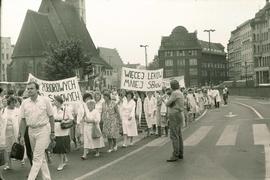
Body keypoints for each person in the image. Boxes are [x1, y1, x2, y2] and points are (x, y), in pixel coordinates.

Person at [18, 82, 55, 180]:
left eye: (32, 88)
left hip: (43, 129)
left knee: (36, 157)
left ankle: (31, 178)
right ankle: (47, 178)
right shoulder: (25, 103)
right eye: (28, 89)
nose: (29, 90)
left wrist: (52, 132)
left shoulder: (45, 100)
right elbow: (22, 120)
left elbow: (51, 116)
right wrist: (21, 135)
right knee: (40, 157)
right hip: (31, 130)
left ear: (37, 89)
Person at [166, 80, 185, 162]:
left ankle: (175, 154)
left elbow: (168, 103)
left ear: (172, 86)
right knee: (179, 134)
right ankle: (180, 153)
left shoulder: (174, 93)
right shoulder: (180, 92)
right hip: (179, 114)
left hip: (174, 114)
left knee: (174, 135)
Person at [52, 96, 73, 171]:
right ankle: (64, 158)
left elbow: (71, 119)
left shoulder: (66, 109)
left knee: (60, 146)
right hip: (55, 128)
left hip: (63, 129)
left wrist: (65, 121)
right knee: (58, 146)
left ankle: (61, 163)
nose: (54, 102)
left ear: (59, 102)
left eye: (55, 101)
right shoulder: (53, 109)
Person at [1, 97, 20, 170]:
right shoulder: (3, 110)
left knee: (16, 147)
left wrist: (20, 133)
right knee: (7, 149)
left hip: (15, 131)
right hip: (5, 132)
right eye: (13, 103)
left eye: (15, 103)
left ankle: (21, 158)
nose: (14, 104)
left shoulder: (18, 111)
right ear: (9, 103)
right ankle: (8, 164)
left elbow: (20, 122)